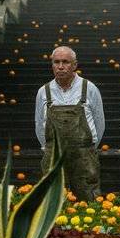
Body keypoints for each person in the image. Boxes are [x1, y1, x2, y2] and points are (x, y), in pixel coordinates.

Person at [34, 46, 105, 201]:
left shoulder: (90, 89)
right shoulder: (43, 92)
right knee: (53, 199)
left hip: (84, 156)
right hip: (53, 156)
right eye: (56, 62)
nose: (60, 66)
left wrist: (88, 147)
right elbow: (39, 126)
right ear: (52, 65)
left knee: (89, 198)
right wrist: (49, 148)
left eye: (65, 62)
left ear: (74, 65)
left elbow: (100, 124)